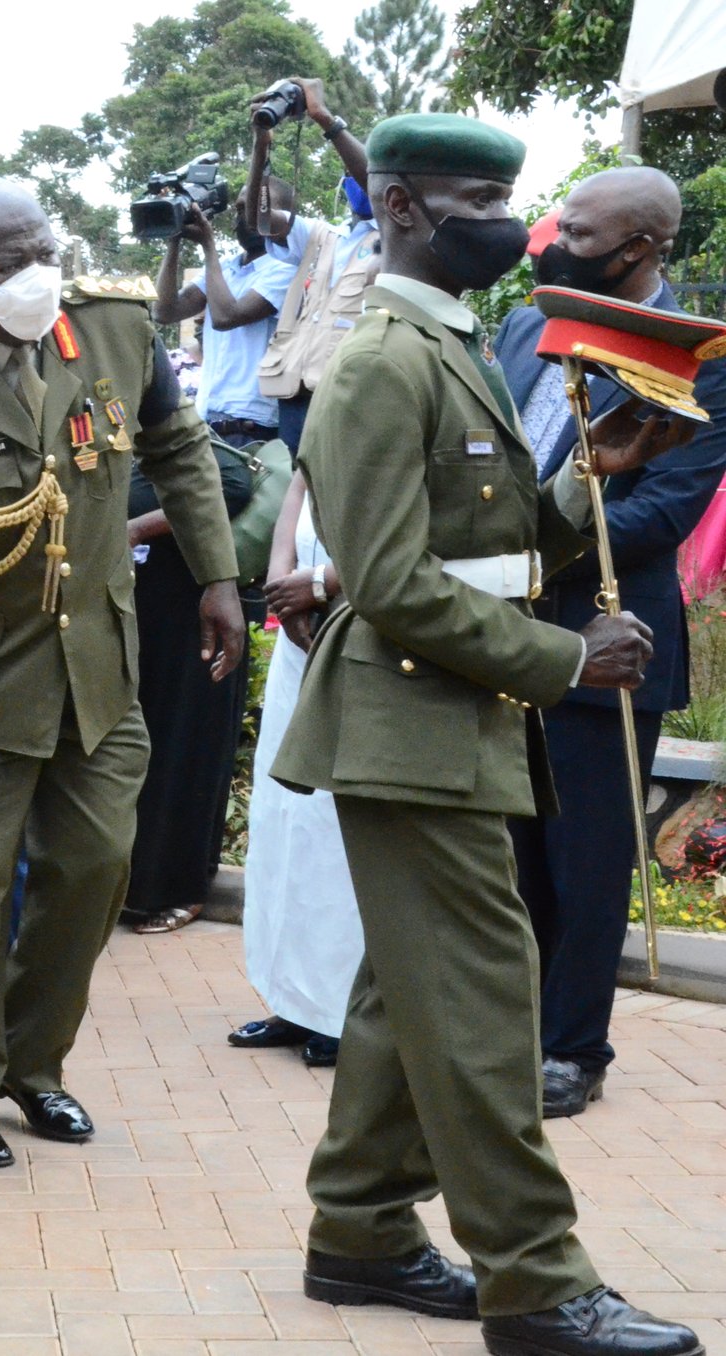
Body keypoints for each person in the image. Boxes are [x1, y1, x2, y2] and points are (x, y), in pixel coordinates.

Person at [271, 112, 703, 1356]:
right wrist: (567, 655)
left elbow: (495, 548)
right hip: (408, 724)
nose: (512, 225)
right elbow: (389, 582)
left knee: (403, 998)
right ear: (400, 207)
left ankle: (357, 1229)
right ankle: (534, 1281)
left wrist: (588, 484)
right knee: (477, 1005)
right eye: (478, 197)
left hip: (453, 721)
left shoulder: (454, 344)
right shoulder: (380, 361)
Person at [0, 179, 244, 1169]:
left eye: (39, 249)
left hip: (97, 673)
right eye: (0, 262)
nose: (30, 274)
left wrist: (217, 575)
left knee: (90, 873)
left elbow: (180, 444)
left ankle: (34, 1066)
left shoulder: (110, 330)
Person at [499, 167, 726, 1119]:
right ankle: (509, 1035)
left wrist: (510, 550)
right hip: (497, 634)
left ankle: (572, 1049)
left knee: (585, 860)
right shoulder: (524, 326)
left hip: (607, 640)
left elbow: (662, 511)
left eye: (580, 229)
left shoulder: (702, 357)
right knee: (508, 856)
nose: (555, 238)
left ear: (639, 248)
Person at [233, 471, 357, 1068]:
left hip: (355, 635)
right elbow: (298, 489)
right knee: (286, 822)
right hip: (297, 639)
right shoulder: (330, 401)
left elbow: (416, 544)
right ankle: (292, 998)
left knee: (334, 833)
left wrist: (319, 585)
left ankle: (338, 1010)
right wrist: (284, 583)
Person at [119, 439, 255, 933]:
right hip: (140, 631)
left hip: (195, 629)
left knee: (186, 759)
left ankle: (183, 889)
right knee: (140, 760)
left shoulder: (192, 445)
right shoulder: (106, 449)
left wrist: (139, 526)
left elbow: (233, 489)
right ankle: (134, 888)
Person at [243, 76, 379, 451]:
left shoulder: (396, 239)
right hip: (296, 393)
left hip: (350, 392)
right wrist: (261, 144)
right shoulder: (322, 235)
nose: (355, 180)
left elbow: (376, 186)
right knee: (295, 495)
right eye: (349, 175)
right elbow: (260, 218)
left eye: (360, 174)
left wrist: (324, 118)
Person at [155, 183, 300, 446]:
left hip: (251, 429)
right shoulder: (226, 269)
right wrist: (174, 239)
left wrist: (208, 245)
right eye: (241, 209)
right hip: (205, 422)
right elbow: (165, 311)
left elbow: (226, 317)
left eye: (257, 207)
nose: (244, 217)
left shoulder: (287, 269)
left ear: (285, 215)